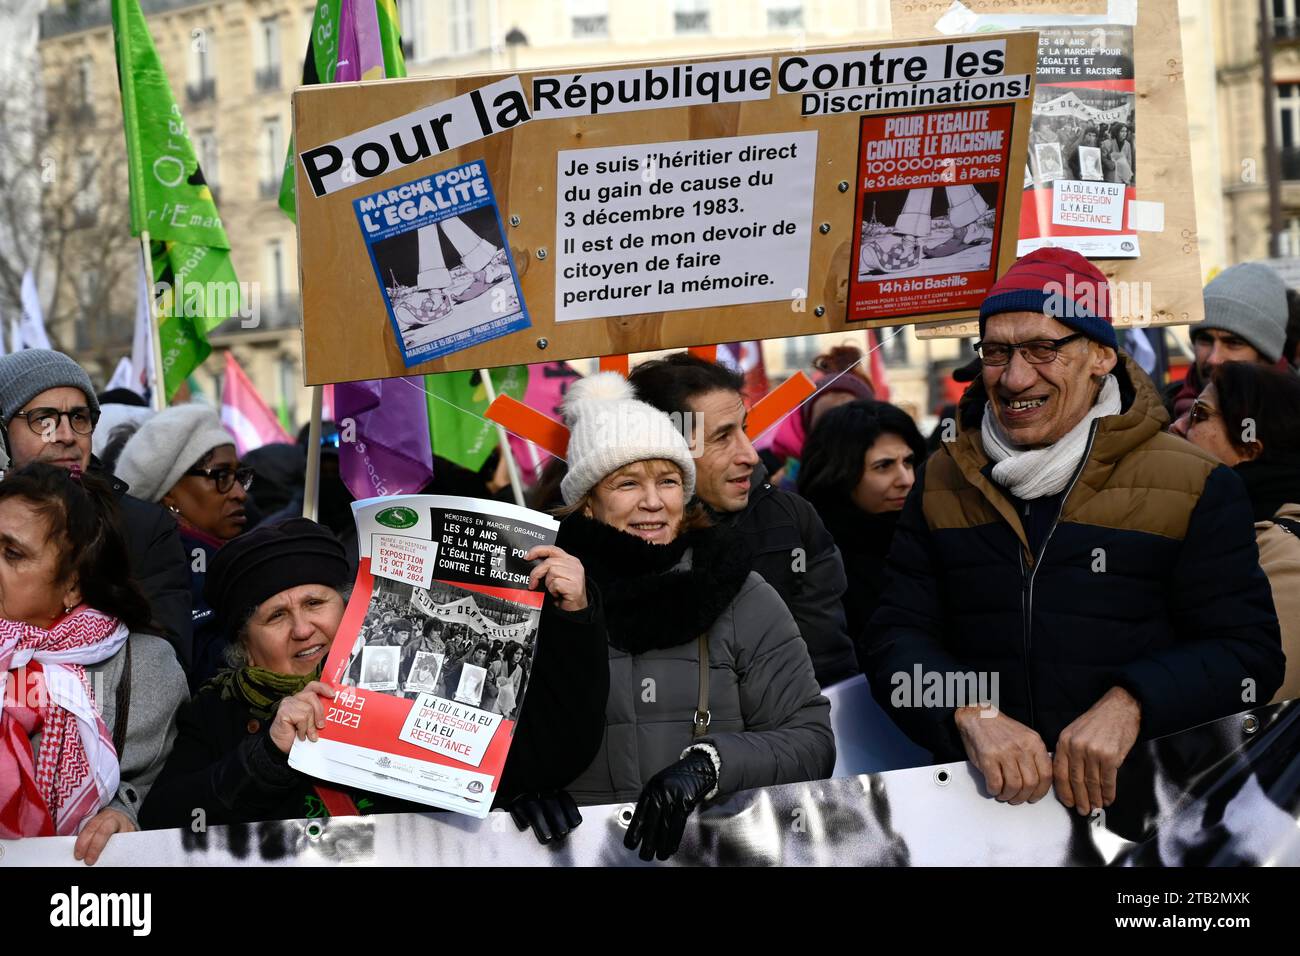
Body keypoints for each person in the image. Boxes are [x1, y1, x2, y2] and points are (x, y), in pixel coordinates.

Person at [866, 248, 1284, 817]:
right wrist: (968, 709)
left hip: (1149, 818)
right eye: (997, 352)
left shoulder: (1195, 483)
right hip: (983, 814)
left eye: (1043, 349)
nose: (1015, 378)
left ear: (1100, 357)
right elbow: (894, 638)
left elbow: (1249, 657)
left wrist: (1134, 701)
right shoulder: (941, 478)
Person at [140, 518, 608, 837]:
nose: (303, 628)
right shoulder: (216, 711)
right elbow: (166, 823)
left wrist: (575, 617)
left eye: (315, 603)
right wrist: (266, 755)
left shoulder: (414, 678)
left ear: (352, 605)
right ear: (243, 641)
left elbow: (557, 754)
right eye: (275, 615)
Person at [554, 372, 834, 861]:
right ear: (589, 505)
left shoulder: (741, 595)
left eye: (668, 481)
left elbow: (811, 741)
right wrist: (517, 787)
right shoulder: (545, 598)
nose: (653, 502)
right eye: (627, 484)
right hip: (580, 855)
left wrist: (712, 765)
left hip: (717, 852)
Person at [627, 354, 859, 687]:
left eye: (744, 430)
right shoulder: (604, 536)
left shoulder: (792, 519)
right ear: (665, 447)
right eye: (722, 437)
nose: (749, 454)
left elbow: (825, 671)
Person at [0, 464, 187, 864]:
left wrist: (123, 812)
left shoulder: (144, 668)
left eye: (12, 553)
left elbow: (166, 788)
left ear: (72, 583)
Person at [0, 349, 191, 667]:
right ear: (3, 434)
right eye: (43, 420)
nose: (66, 436)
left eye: (79, 418)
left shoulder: (143, 527)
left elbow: (166, 664)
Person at [1182, 361, 1300, 702]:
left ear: (1250, 447)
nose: (1175, 426)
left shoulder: (1282, 551)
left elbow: (1254, 703)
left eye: (1199, 415)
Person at [115, 404, 252, 691]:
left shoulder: (233, 558)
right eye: (221, 476)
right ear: (169, 493)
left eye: (240, 477)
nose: (240, 493)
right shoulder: (168, 573)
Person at [797, 400, 928, 656]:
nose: (906, 479)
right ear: (840, 473)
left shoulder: (928, 534)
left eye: (909, 462)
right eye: (884, 466)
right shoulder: (814, 557)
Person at [1167, 263, 1292, 425]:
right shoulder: (1159, 414)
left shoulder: (1291, 423)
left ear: (1266, 356)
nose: (1214, 359)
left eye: (1233, 343)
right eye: (1205, 339)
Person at [488, 644, 526, 718]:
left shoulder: (519, 670)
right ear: (511, 652)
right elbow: (487, 680)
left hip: (504, 706)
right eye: (517, 653)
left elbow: (516, 688)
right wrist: (495, 691)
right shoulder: (498, 664)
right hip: (492, 701)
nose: (519, 656)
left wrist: (509, 706)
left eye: (521, 654)